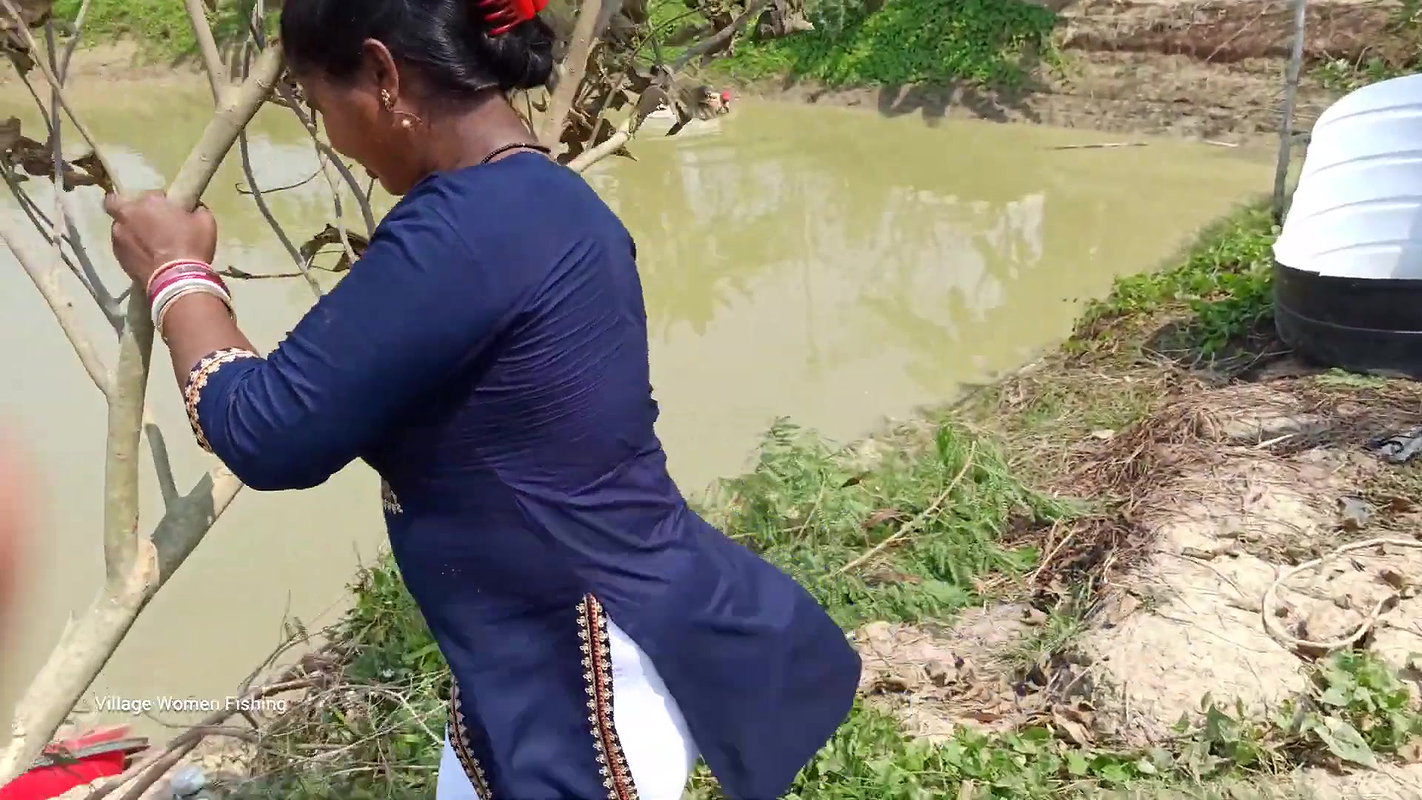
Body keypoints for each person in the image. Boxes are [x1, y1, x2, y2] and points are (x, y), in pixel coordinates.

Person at [101, 0, 861, 797]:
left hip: (581, 679)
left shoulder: (466, 232)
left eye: (323, 104)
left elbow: (264, 429)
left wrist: (174, 272)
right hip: (538, 656)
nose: (330, 136)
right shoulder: (546, 203)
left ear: (385, 76)